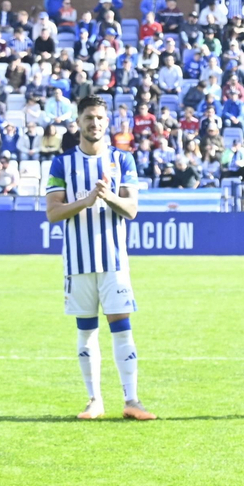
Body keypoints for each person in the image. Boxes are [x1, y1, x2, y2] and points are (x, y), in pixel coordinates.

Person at [44, 96, 156, 421]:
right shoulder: (62, 164)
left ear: (107, 122)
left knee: (122, 328)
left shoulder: (123, 161)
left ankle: (132, 400)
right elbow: (53, 213)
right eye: (89, 118)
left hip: (114, 261)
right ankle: (95, 400)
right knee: (86, 330)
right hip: (77, 264)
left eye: (99, 118)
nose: (95, 124)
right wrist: (87, 200)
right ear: (78, 122)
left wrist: (108, 198)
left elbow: (132, 210)